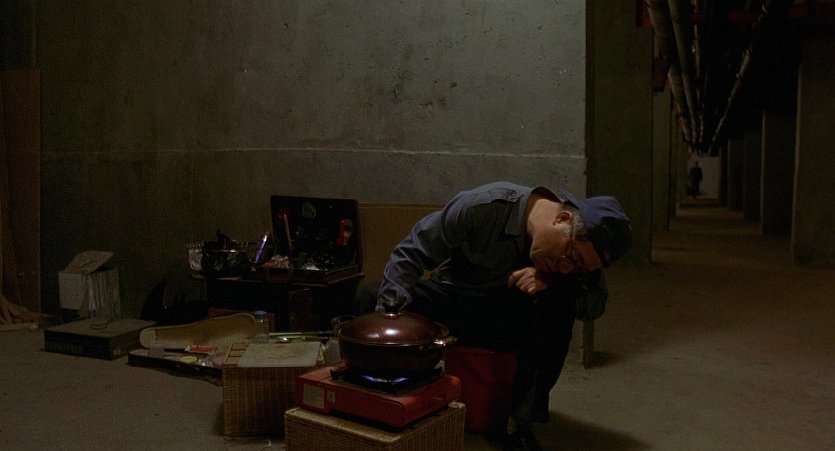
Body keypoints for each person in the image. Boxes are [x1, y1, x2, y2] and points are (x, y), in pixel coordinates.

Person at [357, 181, 631, 451]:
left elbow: (596, 303)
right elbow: (411, 253)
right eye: (570, 256)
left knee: (558, 305)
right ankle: (381, 396)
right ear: (562, 218)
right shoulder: (483, 206)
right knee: (370, 297)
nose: (566, 267)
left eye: (578, 268)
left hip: (506, 322)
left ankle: (520, 424)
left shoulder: (581, 253)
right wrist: (389, 318)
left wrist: (554, 283)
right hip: (454, 303)